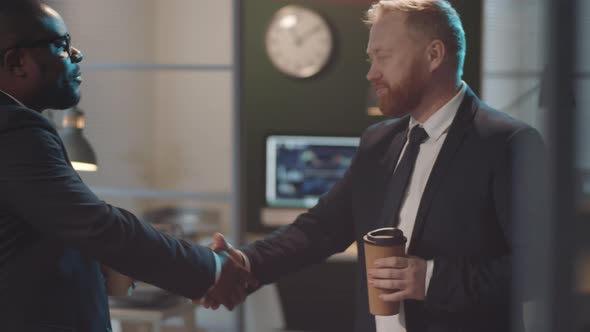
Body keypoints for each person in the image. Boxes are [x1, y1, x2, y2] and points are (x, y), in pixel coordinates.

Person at [206, 0, 546, 331]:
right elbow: (320, 228)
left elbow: (541, 267)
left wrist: (429, 278)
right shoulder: (378, 142)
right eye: (371, 59)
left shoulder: (507, 144)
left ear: (434, 55)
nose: (371, 73)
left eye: (383, 57)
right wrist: (246, 262)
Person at [0, 1, 255, 331]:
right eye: (61, 45)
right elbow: (96, 225)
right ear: (18, 62)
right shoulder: (15, 131)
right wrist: (211, 270)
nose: (77, 54)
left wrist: (96, 265)